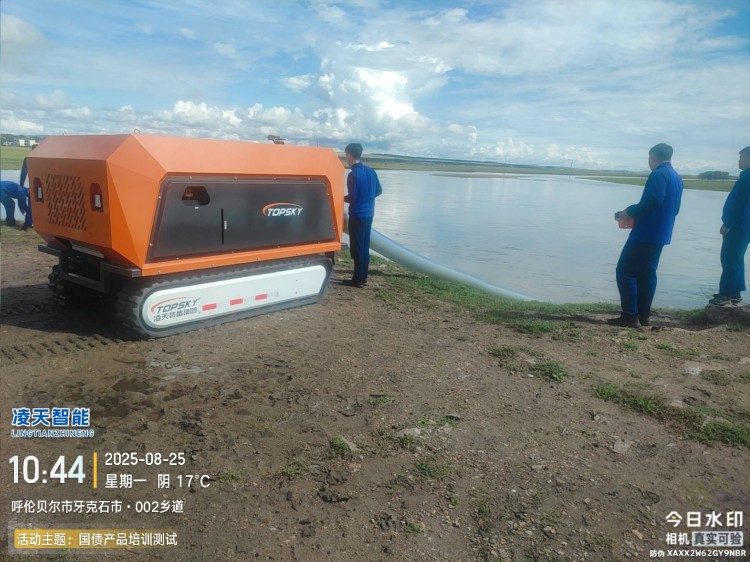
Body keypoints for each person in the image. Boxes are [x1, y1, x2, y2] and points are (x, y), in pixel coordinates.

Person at [608, 143, 683, 328]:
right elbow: (675, 209)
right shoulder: (676, 177)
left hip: (645, 233)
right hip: (662, 233)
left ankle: (629, 316)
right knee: (647, 273)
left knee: (625, 271)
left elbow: (653, 200)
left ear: (652, 157)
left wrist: (629, 212)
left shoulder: (658, 174)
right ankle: (643, 315)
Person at [709, 146, 750, 306]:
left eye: (742, 158)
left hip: (737, 226)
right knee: (736, 258)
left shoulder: (746, 178)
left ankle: (726, 294)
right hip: (744, 226)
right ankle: (735, 293)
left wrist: (727, 223)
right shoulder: (746, 177)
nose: (739, 161)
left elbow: (738, 205)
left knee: (729, 259)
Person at [343, 142, 381, 288]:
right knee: (365, 246)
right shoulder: (371, 171)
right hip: (369, 214)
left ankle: (357, 279)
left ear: (350, 155)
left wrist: (340, 198)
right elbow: (379, 191)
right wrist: (367, 198)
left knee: (357, 247)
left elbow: (352, 198)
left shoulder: (353, 174)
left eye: (346, 155)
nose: (346, 158)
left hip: (357, 215)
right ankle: (363, 277)